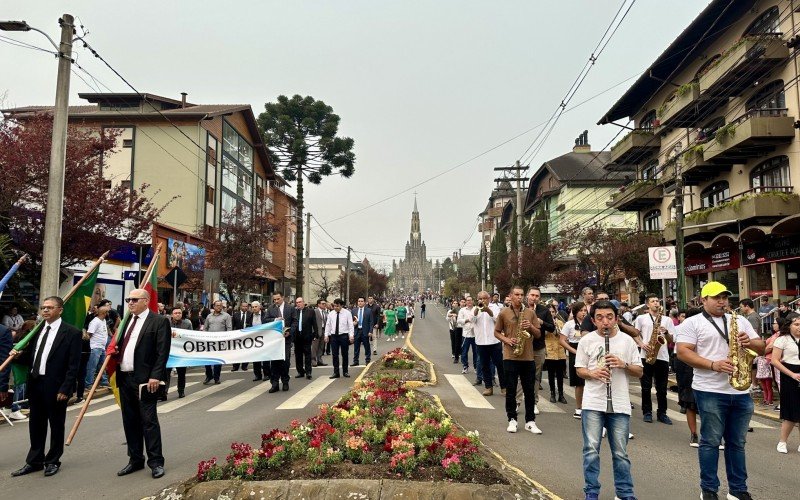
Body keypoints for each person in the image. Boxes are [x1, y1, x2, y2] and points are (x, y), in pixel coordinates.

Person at [676, 281, 765, 500]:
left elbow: (762, 347)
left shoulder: (739, 320)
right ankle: (708, 489)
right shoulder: (693, 322)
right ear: (703, 300)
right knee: (710, 441)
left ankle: (738, 489)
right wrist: (713, 364)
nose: (722, 301)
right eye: (716, 297)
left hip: (740, 391)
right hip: (709, 390)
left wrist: (750, 342)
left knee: (737, 443)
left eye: (724, 297)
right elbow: (682, 352)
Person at [575, 300, 643, 500]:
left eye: (609, 317)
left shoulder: (627, 341)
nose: (605, 322)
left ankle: (624, 493)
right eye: (600, 317)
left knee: (621, 453)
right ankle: (592, 491)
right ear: (593, 320)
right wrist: (593, 373)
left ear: (616, 318)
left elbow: (639, 371)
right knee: (591, 451)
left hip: (620, 403)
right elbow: (579, 369)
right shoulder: (586, 341)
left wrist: (623, 364)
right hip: (593, 402)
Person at [10, 296, 82, 477]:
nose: (45, 310)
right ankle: (35, 460)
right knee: (36, 423)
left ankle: (52, 460)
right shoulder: (37, 330)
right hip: (35, 383)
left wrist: (66, 388)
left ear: (60, 310)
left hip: (56, 386)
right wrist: (17, 355)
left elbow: (74, 365)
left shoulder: (71, 333)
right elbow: (32, 357)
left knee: (56, 424)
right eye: (43, 307)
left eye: (50, 307)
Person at [113, 288, 171, 479]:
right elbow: (122, 346)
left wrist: (155, 375)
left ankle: (156, 462)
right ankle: (135, 459)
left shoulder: (159, 321)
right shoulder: (126, 322)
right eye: (128, 299)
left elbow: (162, 352)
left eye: (134, 299)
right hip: (124, 377)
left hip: (145, 381)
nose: (130, 302)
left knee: (148, 421)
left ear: (146, 301)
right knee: (130, 421)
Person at [494, 286, 542, 434]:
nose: (519, 297)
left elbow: (539, 334)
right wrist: (507, 340)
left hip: (527, 357)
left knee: (529, 390)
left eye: (521, 295)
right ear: (510, 295)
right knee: (511, 390)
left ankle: (530, 421)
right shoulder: (503, 313)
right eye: (516, 294)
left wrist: (531, 328)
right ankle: (512, 419)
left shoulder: (530, 312)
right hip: (510, 356)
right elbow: (496, 332)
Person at [633, 294, 675, 425]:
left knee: (662, 388)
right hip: (646, 355)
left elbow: (671, 340)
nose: (656, 303)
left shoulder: (667, 319)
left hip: (662, 356)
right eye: (653, 301)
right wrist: (641, 344)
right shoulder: (641, 318)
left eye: (657, 301)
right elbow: (634, 334)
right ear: (648, 304)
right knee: (645, 387)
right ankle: (647, 412)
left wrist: (666, 332)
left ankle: (662, 413)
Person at [770, 312, 800, 454]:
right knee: (790, 411)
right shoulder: (782, 340)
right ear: (789, 325)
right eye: (796, 324)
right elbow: (775, 360)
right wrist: (792, 374)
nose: (799, 327)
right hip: (789, 374)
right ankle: (782, 441)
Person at [524, 287, 555, 416]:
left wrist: (541, 322)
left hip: (538, 346)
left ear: (539, 298)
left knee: (536, 376)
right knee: (522, 376)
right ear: (527, 296)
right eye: (532, 295)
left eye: (537, 296)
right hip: (524, 346)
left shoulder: (544, 310)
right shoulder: (521, 308)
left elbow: (552, 328)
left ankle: (533, 402)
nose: (534, 298)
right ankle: (518, 401)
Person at [675, 307, 703, 446]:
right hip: (688, 367)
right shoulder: (684, 328)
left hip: (700, 367)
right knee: (691, 402)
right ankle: (694, 434)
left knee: (704, 404)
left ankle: (703, 434)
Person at [560, 301, 588, 419]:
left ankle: (589, 407)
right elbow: (562, 340)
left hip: (588, 351)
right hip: (575, 351)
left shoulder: (590, 323)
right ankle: (579, 407)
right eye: (581, 311)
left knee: (589, 381)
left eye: (585, 311)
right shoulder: (569, 324)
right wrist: (573, 351)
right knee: (579, 383)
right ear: (575, 312)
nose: (583, 313)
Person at [475, 290, 504, 396]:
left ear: (489, 298)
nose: (482, 300)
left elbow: (497, 320)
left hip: (494, 341)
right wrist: (476, 312)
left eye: (484, 298)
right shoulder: (475, 309)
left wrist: (488, 310)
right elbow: (472, 321)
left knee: (500, 364)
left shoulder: (495, 308)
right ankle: (488, 387)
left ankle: (504, 387)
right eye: (480, 298)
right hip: (481, 342)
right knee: (484, 365)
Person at [265, 292, 295, 393]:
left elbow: (295, 321)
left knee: (285, 362)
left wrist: (289, 332)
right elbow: (265, 320)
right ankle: (274, 383)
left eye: (278, 299)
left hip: (285, 339)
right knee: (274, 362)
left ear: (283, 298)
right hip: (274, 340)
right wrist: (274, 319)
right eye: (274, 299)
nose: (276, 301)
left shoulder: (290, 308)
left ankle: (285, 381)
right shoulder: (271, 308)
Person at [164, 306, 192, 398]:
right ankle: (164, 392)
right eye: (175, 313)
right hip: (169, 352)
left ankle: (181, 390)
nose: (177, 315)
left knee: (181, 373)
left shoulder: (187, 324)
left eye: (179, 313)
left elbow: (192, 336)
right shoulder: (166, 323)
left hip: (181, 352)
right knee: (166, 373)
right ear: (172, 314)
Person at [203, 300, 231, 385]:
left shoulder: (226, 316)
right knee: (207, 360)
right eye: (217, 305)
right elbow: (205, 328)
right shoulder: (209, 316)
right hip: (209, 342)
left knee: (218, 361)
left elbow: (229, 328)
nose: (219, 307)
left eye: (220, 305)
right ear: (214, 306)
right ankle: (209, 375)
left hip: (220, 342)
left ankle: (216, 377)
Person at [544, 302, 567, 404]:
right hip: (549, 352)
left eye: (553, 312)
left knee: (560, 374)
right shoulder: (544, 324)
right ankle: (552, 393)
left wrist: (557, 325)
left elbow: (563, 334)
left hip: (560, 351)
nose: (552, 314)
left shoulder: (560, 322)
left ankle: (561, 394)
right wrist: (549, 325)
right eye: (549, 312)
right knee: (551, 374)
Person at [84, 301, 111, 391]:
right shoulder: (95, 322)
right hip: (95, 347)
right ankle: (88, 384)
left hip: (102, 347)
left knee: (102, 366)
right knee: (92, 366)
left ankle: (104, 381)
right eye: (107, 312)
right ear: (104, 313)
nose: (108, 313)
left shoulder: (103, 321)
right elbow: (89, 334)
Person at [325, 298, 354, 378]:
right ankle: (336, 372)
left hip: (343, 336)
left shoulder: (347, 313)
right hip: (334, 336)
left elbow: (350, 325)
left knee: (344, 354)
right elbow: (328, 325)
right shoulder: (331, 314)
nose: (335, 308)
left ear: (341, 305)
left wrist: (351, 336)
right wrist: (326, 335)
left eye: (337, 306)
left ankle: (345, 371)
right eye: (334, 306)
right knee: (335, 354)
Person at [292, 297, 318, 380]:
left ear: (303, 302)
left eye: (300, 302)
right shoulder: (294, 312)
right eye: (297, 302)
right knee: (298, 355)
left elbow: (314, 323)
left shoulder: (310, 311)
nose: (298, 304)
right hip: (297, 337)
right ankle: (300, 371)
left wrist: (315, 335)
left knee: (307, 355)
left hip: (307, 336)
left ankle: (308, 372)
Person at [248, 301, 270, 382]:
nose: (254, 308)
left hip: (264, 338)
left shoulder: (265, 315)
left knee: (265, 357)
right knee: (256, 357)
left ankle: (267, 374)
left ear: (259, 307)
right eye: (253, 307)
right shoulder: (250, 316)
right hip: (254, 339)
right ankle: (257, 375)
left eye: (255, 307)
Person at [457, 296, 479, 375]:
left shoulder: (477, 308)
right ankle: (465, 366)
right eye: (467, 300)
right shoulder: (462, 310)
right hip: (466, 334)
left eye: (470, 300)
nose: (469, 302)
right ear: (466, 302)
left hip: (475, 334)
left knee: (476, 352)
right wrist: (467, 320)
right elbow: (459, 320)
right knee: (464, 352)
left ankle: (476, 367)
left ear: (473, 301)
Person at [351, 297, 374, 366]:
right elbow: (350, 321)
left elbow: (371, 322)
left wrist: (370, 331)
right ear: (357, 302)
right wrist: (353, 323)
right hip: (357, 330)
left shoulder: (368, 311)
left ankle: (367, 360)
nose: (360, 302)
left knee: (366, 346)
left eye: (361, 301)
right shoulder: (354, 310)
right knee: (356, 347)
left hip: (365, 331)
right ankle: (355, 361)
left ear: (364, 302)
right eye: (359, 301)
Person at [231, 301, 250, 372]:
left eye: (246, 306)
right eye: (243, 306)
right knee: (236, 351)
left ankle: (244, 366)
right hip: (237, 335)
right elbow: (233, 325)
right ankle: (235, 366)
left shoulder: (250, 314)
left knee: (246, 351)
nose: (245, 307)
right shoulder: (236, 315)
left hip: (247, 335)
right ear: (240, 307)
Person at [312, 300, 329, 367]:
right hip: (316, 331)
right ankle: (313, 360)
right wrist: (313, 331)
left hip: (323, 330)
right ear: (318, 304)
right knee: (315, 346)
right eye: (323, 304)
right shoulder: (315, 311)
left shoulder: (325, 312)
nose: (324, 305)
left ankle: (319, 360)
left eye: (325, 303)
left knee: (322, 346)